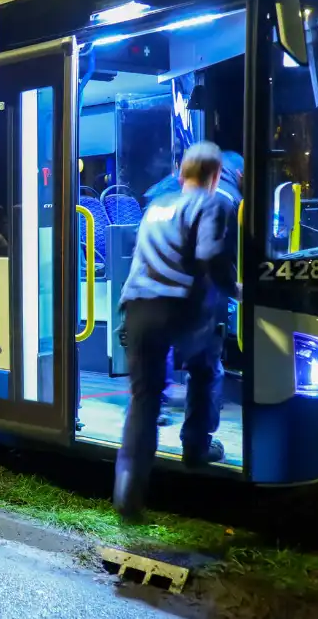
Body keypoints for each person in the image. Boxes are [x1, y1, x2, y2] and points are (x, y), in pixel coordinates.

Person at [114, 142, 241, 520]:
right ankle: (196, 447)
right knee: (207, 365)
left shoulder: (156, 207)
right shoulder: (213, 203)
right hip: (178, 310)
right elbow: (209, 258)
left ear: (181, 173)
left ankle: (127, 497)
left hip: (137, 309)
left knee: (144, 401)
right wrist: (235, 290)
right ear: (215, 175)